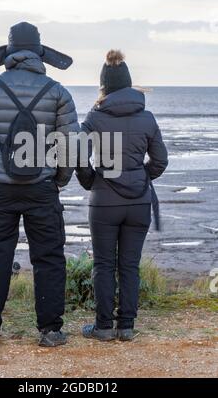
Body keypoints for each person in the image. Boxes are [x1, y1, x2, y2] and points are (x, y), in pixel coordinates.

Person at [0, 22, 79, 348]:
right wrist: (59, 178)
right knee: (49, 257)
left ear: (10, 52)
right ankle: (50, 331)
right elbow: (70, 143)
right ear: (38, 52)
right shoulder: (57, 91)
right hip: (42, 187)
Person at [76, 50, 168, 342]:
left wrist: (91, 179)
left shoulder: (95, 116)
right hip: (139, 202)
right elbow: (160, 161)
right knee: (130, 264)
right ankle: (126, 326)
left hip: (105, 200)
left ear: (104, 86)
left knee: (104, 264)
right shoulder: (148, 117)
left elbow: (79, 154)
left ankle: (103, 327)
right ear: (129, 85)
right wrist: (141, 176)